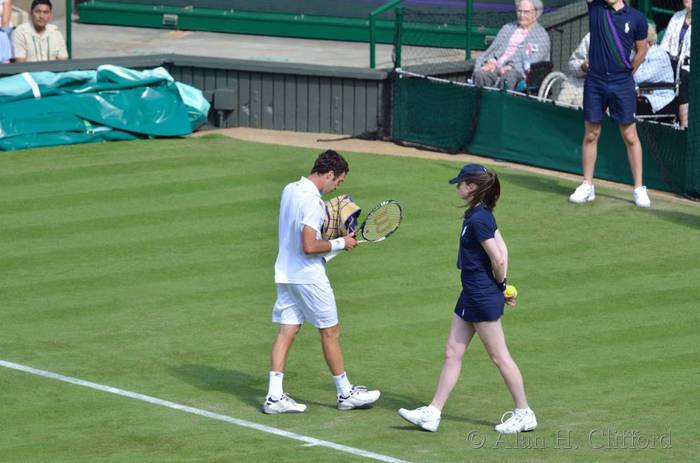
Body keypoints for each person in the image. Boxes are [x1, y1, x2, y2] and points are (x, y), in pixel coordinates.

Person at [398, 164, 536, 434]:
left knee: (499, 357)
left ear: (471, 187)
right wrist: (500, 285)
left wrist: (499, 286)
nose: (457, 187)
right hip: (471, 293)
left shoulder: (478, 219)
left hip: (481, 295)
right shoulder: (479, 213)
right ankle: (433, 412)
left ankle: (524, 413)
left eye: (461, 183)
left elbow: (498, 257)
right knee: (453, 351)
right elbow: (503, 250)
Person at [262, 150, 381, 415]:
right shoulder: (313, 201)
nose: (336, 187)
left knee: (288, 331)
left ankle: (274, 396)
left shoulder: (290, 189)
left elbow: (300, 240)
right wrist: (341, 242)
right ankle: (345, 393)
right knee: (330, 331)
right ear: (329, 174)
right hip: (307, 277)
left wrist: (337, 246)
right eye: (337, 182)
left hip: (286, 274)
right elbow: (308, 246)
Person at [569, 0, 651, 208]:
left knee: (630, 136)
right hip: (595, 80)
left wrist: (628, 71)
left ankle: (639, 188)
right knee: (591, 134)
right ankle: (587, 185)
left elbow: (642, 50)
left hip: (622, 83)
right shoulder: (596, 7)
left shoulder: (637, 18)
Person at [472, 0, 550, 90]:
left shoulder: (541, 35)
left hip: (518, 71)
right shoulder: (508, 28)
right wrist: (490, 62)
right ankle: (481, 101)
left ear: (536, 13)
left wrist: (511, 66)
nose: (522, 15)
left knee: (509, 76)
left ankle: (502, 103)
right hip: (497, 66)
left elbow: (534, 61)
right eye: (519, 11)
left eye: (526, 12)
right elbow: (493, 50)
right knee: (481, 74)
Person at [660, 0, 692, 128]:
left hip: (691, 69)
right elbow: (664, 47)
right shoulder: (677, 16)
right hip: (672, 64)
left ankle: (685, 127)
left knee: (684, 78)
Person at [635, 24, 676, 117]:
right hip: (642, 93)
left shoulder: (658, 54)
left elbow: (638, 78)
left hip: (659, 98)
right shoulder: (635, 52)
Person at [556, 33, 590, 107]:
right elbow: (572, 64)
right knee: (559, 106)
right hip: (574, 83)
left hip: (596, 89)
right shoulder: (591, 36)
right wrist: (582, 67)